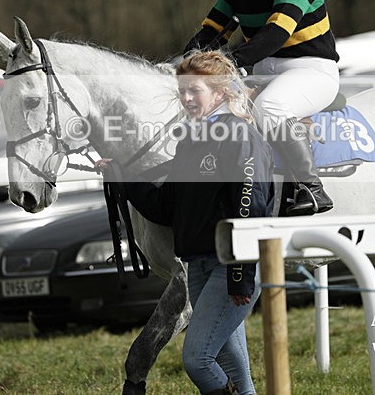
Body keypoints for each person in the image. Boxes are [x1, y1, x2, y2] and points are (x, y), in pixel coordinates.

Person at [97, 51, 274, 395]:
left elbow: (250, 208)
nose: (187, 98)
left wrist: (240, 277)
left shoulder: (240, 135)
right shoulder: (190, 140)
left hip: (230, 268)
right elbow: (166, 208)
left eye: (196, 90)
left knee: (198, 360)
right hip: (199, 267)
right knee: (234, 369)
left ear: (221, 92)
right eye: (182, 91)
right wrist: (123, 177)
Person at [184, 0, 339, 216]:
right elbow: (215, 30)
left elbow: (277, 32)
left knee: (270, 107)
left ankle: (312, 189)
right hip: (263, 69)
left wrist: (232, 63)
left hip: (310, 70)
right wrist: (184, 61)